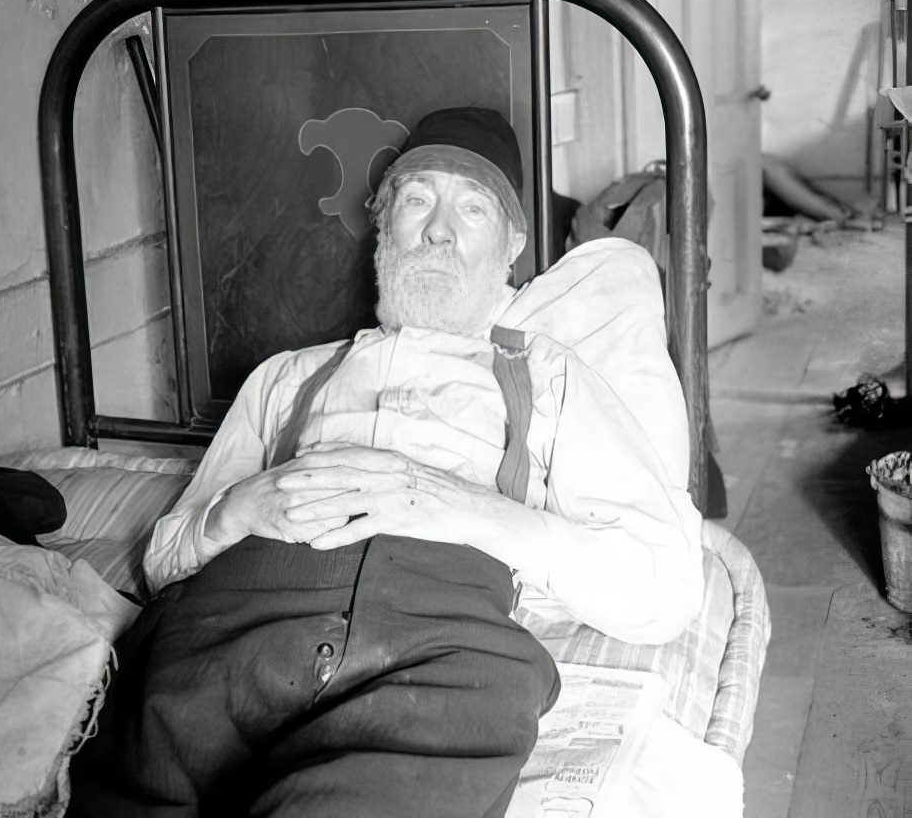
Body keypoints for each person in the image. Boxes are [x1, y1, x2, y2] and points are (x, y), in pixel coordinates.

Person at [67, 107, 704, 818]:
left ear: (513, 246)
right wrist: (235, 510)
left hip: (443, 644)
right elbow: (166, 559)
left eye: (471, 206)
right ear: (384, 228)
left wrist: (461, 508)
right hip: (234, 618)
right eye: (416, 199)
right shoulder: (287, 376)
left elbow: (665, 589)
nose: (438, 228)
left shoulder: (550, 375)